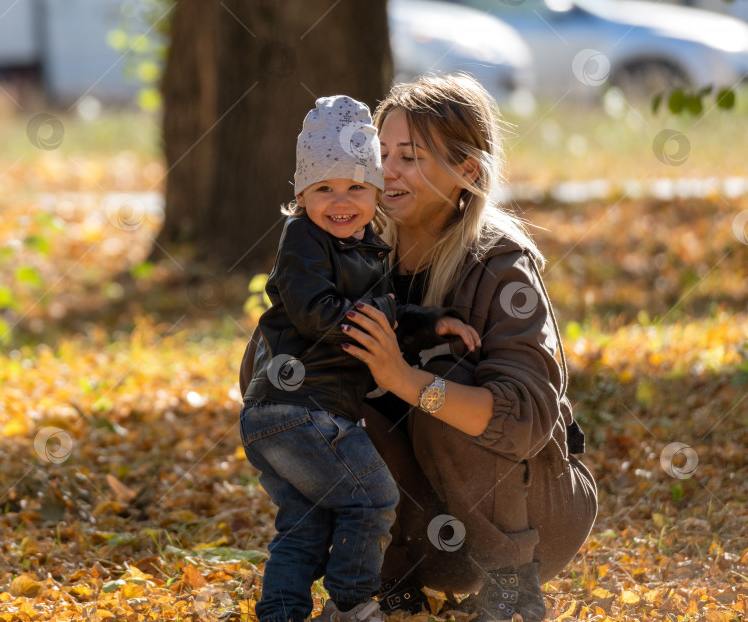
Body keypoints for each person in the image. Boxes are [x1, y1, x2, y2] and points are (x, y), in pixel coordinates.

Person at [338, 74, 598, 622]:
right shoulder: (353, 246)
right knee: (316, 399)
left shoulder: (502, 267)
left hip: (531, 518)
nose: (387, 171)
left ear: (467, 172)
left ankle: (514, 590)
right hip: (427, 535)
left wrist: (406, 380)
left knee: (443, 393)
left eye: (409, 157)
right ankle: (386, 577)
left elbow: (525, 417)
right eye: (379, 152)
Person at [240, 95, 480, 622]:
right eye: (324, 188)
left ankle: (280, 613)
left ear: (376, 191)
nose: (340, 200)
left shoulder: (365, 247)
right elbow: (313, 311)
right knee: (372, 498)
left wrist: (427, 321)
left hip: (287, 414)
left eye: (355, 186)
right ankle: (354, 606)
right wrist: (373, 333)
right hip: (300, 408)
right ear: (302, 194)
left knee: (306, 524)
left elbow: (384, 314)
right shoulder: (304, 238)